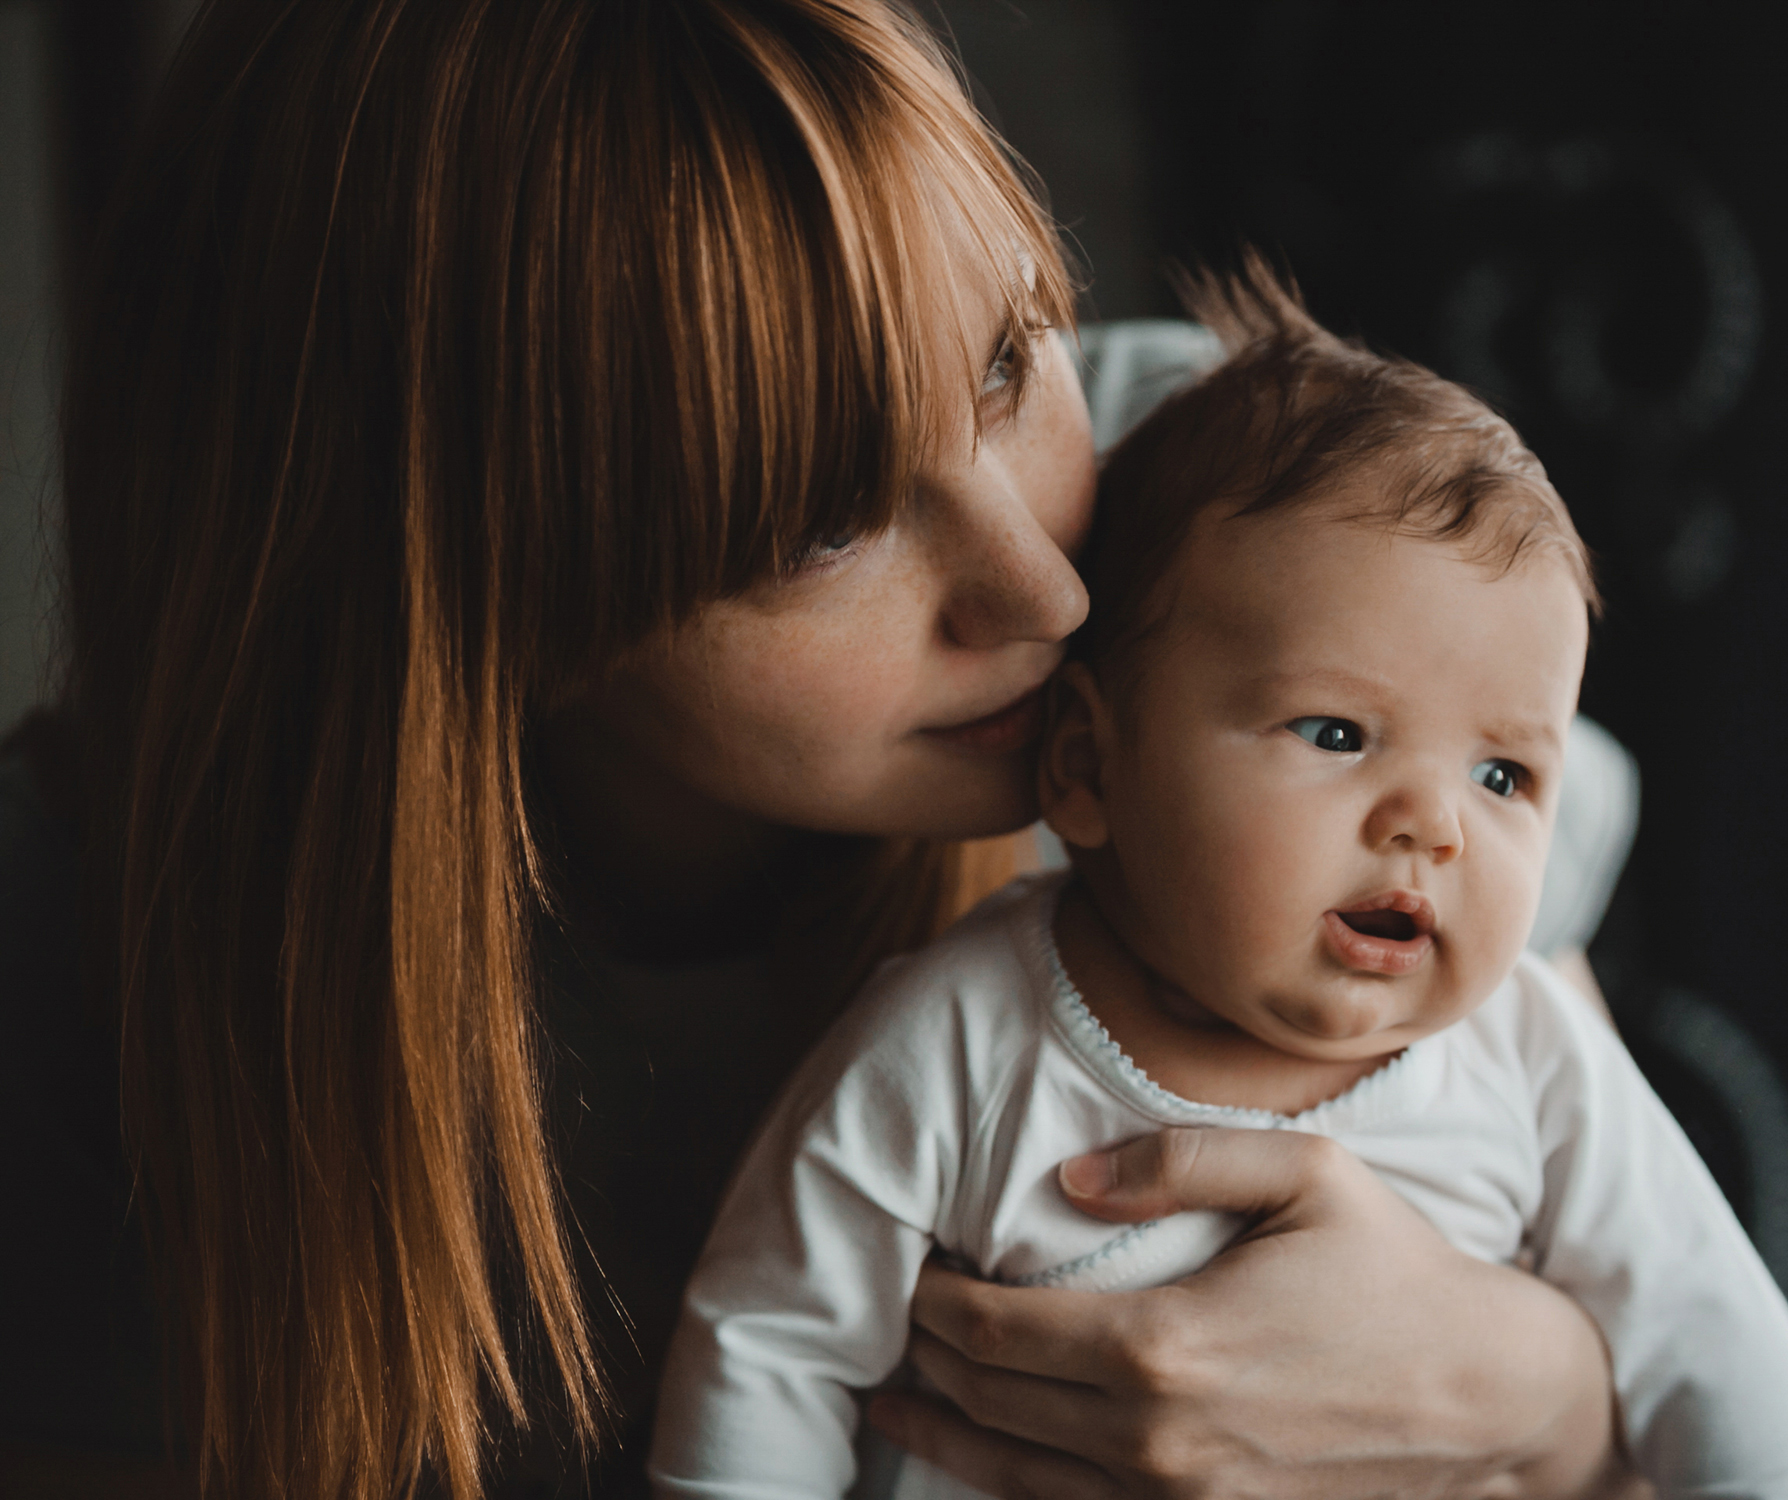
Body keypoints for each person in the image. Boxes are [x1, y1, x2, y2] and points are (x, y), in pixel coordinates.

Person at [0, 2, 1653, 1497]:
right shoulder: (83, 973)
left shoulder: (1233, 536)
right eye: (817, 525)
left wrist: (1534, 1394)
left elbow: (1620, 1259)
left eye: (1010, 365)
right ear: (445, 599)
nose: (1046, 583)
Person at [646, 267, 1788, 1500]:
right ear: (1086, 765)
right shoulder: (953, 1041)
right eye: (1336, 734)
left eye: (1503, 776)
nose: (1435, 825)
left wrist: (1543, 1411)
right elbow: (768, 1348)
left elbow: (1727, 1369)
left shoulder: (1535, 1057)